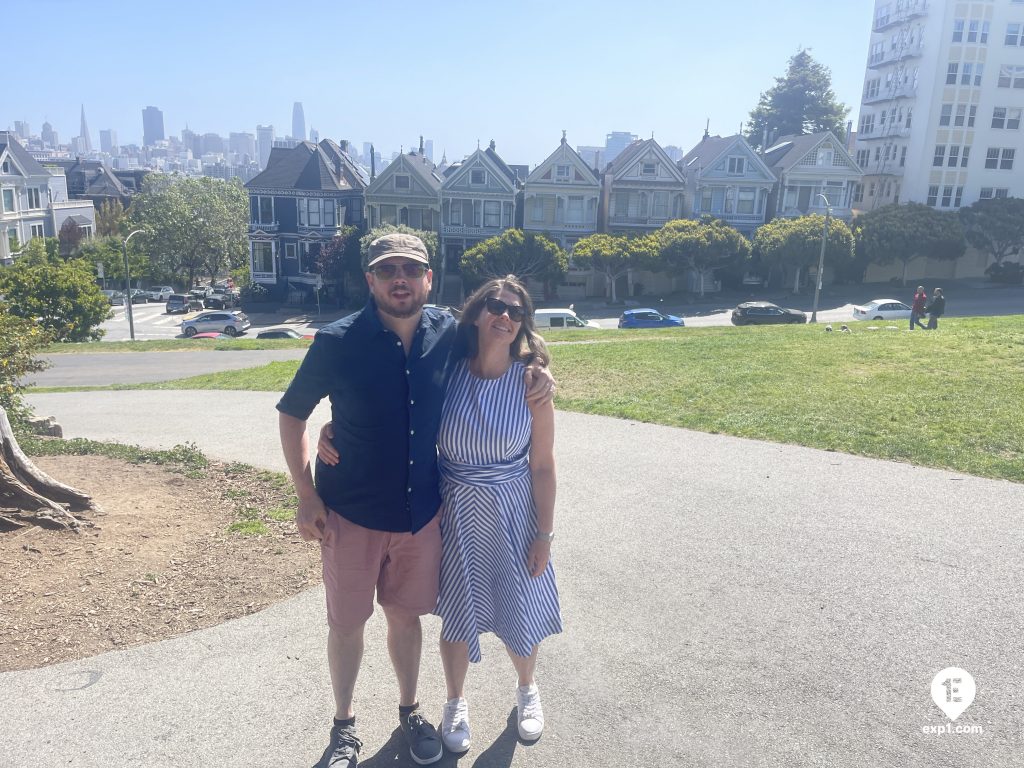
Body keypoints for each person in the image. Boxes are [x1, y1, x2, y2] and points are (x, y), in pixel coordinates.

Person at [277, 233, 552, 768]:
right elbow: (292, 415)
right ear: (370, 280)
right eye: (387, 270)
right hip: (351, 514)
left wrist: (539, 367)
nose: (399, 279)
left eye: (410, 269)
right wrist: (306, 492)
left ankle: (410, 712)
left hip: (420, 517)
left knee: (407, 619)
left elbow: (501, 340)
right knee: (347, 624)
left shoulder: (447, 333)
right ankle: (344, 728)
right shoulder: (337, 341)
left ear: (428, 278)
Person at [434, 276, 561, 753]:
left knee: (518, 607)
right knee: (456, 613)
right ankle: (455, 700)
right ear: (476, 312)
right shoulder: (446, 372)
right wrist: (336, 428)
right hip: (456, 513)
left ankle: (527, 688)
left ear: (523, 323)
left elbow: (543, 465)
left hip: (513, 514)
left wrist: (544, 534)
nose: (505, 316)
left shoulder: (530, 383)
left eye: (516, 311)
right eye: (495, 305)